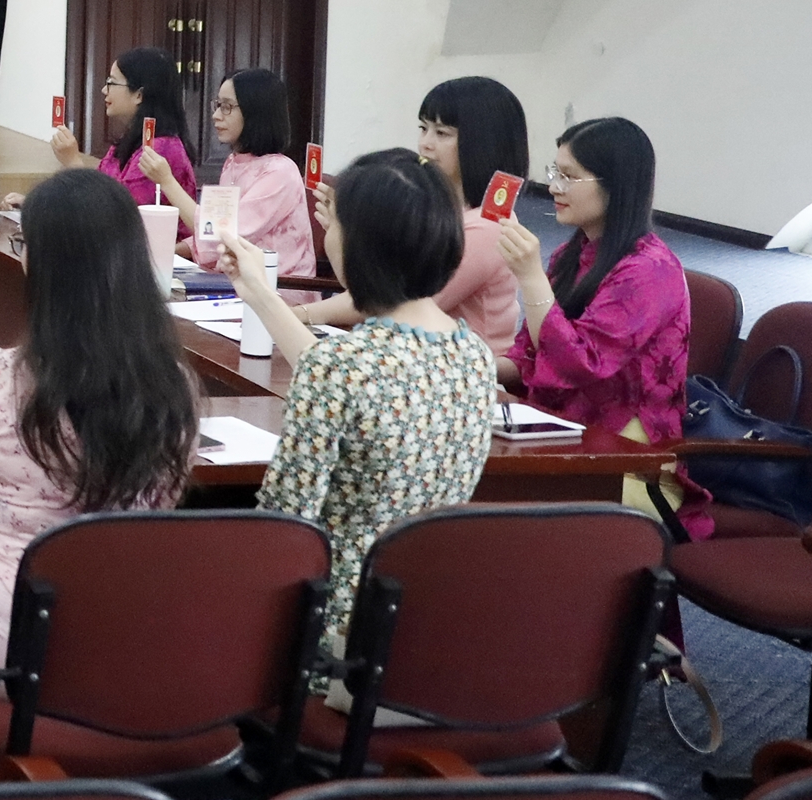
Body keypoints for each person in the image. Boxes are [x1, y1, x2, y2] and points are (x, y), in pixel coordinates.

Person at [0, 168, 198, 663]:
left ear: (41, 262)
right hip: (123, 643)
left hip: (4, 644)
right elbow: (164, 499)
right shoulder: (174, 387)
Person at [228, 149, 498, 640]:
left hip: (330, 624)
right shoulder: (475, 356)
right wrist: (261, 294)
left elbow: (283, 524)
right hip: (423, 621)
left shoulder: (341, 366)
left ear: (360, 247)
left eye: (334, 224)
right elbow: (349, 376)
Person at [497, 117, 706, 539]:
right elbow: (530, 353)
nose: (553, 187)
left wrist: (531, 278)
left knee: (493, 514)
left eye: (569, 176)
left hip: (627, 459)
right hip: (568, 430)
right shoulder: (572, 254)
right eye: (554, 172)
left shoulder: (648, 270)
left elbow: (580, 364)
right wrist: (469, 364)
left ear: (616, 185)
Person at [303, 76, 531, 345]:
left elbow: (395, 302)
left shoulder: (488, 226)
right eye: (423, 128)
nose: (425, 143)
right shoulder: (438, 206)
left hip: (458, 363)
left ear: (483, 143)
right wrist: (347, 228)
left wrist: (298, 314)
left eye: (442, 133)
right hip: (412, 349)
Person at [139, 69, 315, 279]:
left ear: (255, 111)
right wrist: (167, 252)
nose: (216, 115)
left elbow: (220, 234)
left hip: (278, 289)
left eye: (227, 107)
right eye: (218, 105)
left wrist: (167, 182)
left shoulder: (279, 172)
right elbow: (215, 234)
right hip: (235, 281)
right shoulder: (232, 163)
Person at [51, 46, 196, 212]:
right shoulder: (125, 144)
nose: (104, 90)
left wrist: (73, 162)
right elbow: (102, 190)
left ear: (139, 95)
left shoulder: (159, 149)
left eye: (111, 83)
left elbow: (116, 214)